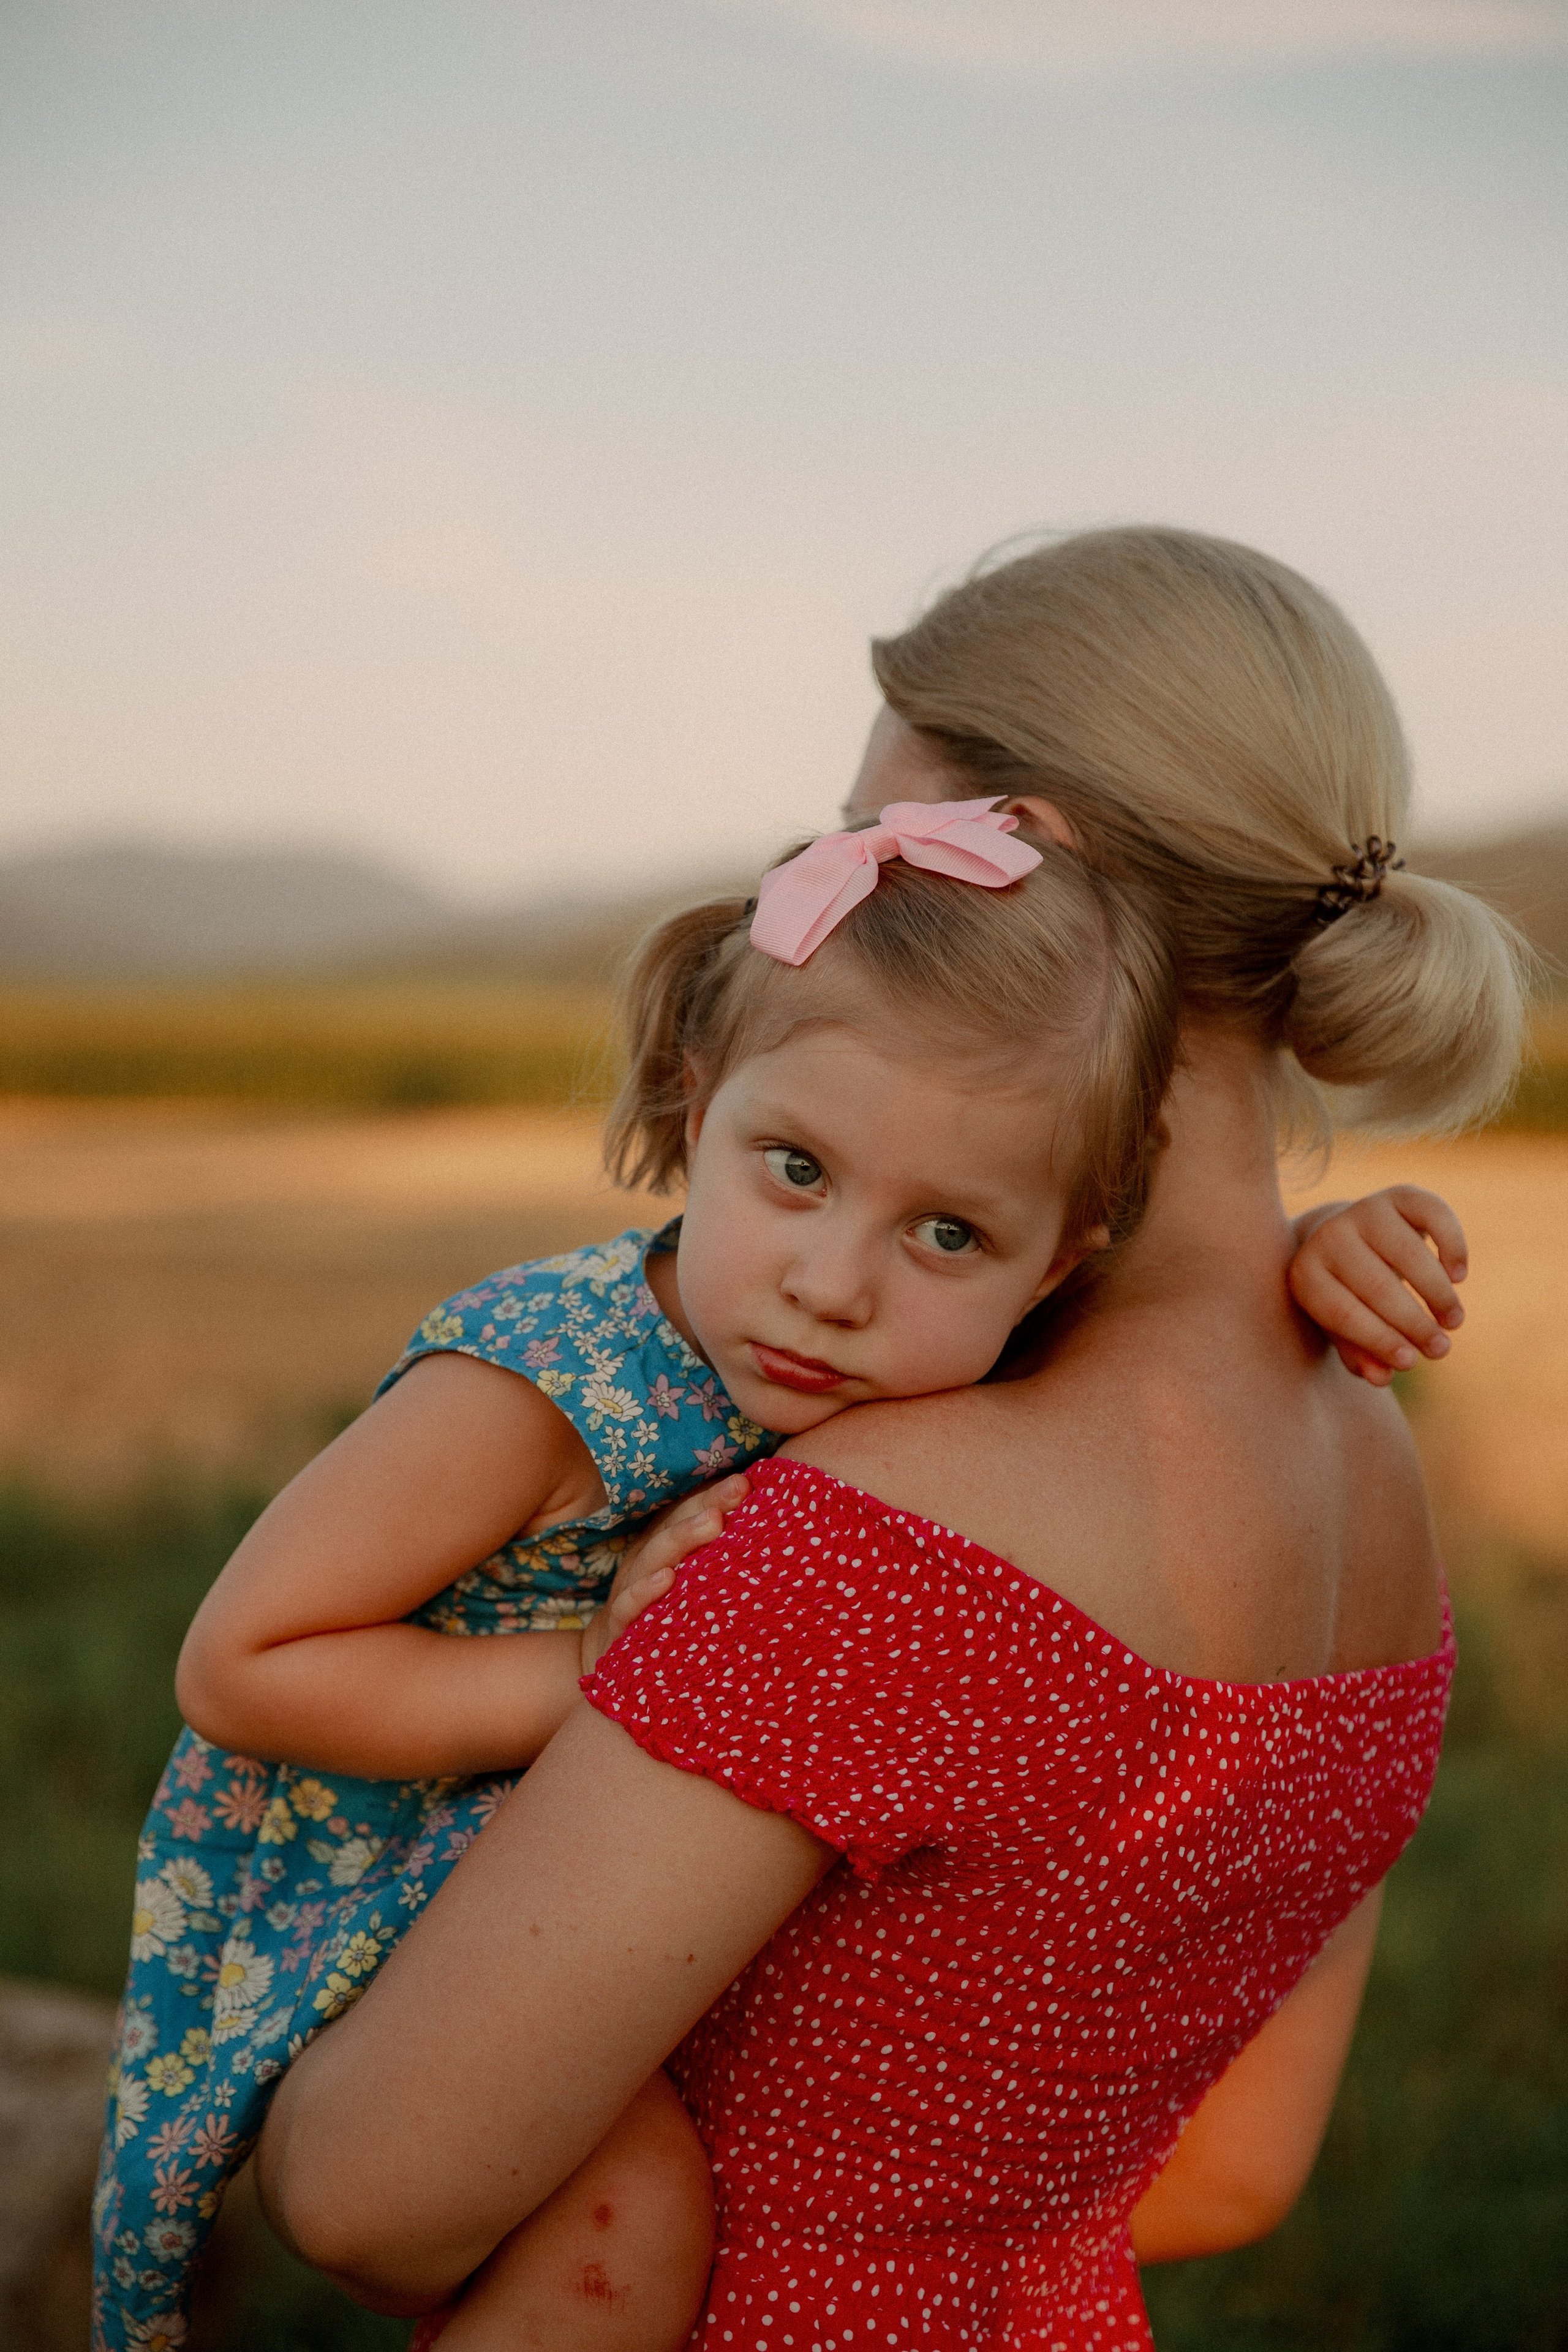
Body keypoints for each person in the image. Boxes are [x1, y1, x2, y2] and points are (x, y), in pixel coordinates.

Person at [249, 529, 1527, 2351]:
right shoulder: (1381, 1484)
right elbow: (1233, 2174)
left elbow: (368, 2192)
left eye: (864, 844)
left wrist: (289, 2043)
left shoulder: (887, 1541)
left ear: (1027, 860)